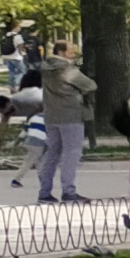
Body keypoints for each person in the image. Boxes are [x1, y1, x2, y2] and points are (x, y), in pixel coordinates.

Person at [32, 41, 96, 205]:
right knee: (71, 153)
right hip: (71, 115)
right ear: (61, 52)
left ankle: (44, 193)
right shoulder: (67, 69)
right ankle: (69, 192)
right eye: (70, 51)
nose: (73, 54)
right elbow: (90, 84)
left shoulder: (46, 68)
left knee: (52, 152)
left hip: (52, 116)